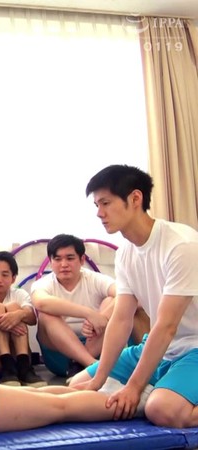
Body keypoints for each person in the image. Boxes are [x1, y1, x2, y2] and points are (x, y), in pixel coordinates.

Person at [72, 165, 198, 428]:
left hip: (194, 347)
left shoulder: (181, 245)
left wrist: (134, 386)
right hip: (162, 347)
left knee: (162, 410)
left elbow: (167, 325)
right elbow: (121, 320)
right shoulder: (125, 254)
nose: (99, 213)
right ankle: (163, 386)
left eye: (106, 203)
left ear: (135, 198)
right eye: (97, 205)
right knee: (79, 385)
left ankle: (163, 393)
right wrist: (99, 379)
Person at [31, 234, 150, 378]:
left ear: (82, 260)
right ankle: (90, 364)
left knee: (112, 301)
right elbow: (40, 302)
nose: (64, 264)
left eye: (70, 258)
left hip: (98, 349)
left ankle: (84, 364)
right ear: (50, 262)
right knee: (46, 315)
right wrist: (89, 314)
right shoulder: (43, 284)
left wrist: (102, 318)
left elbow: (133, 297)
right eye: (57, 259)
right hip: (61, 358)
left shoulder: (94, 279)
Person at [0, 251, 46, 387]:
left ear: (13, 278)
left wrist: (17, 316)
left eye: (5, 275)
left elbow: (32, 319)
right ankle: (7, 366)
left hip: (18, 356)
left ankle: (24, 368)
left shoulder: (19, 294)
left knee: (14, 307)